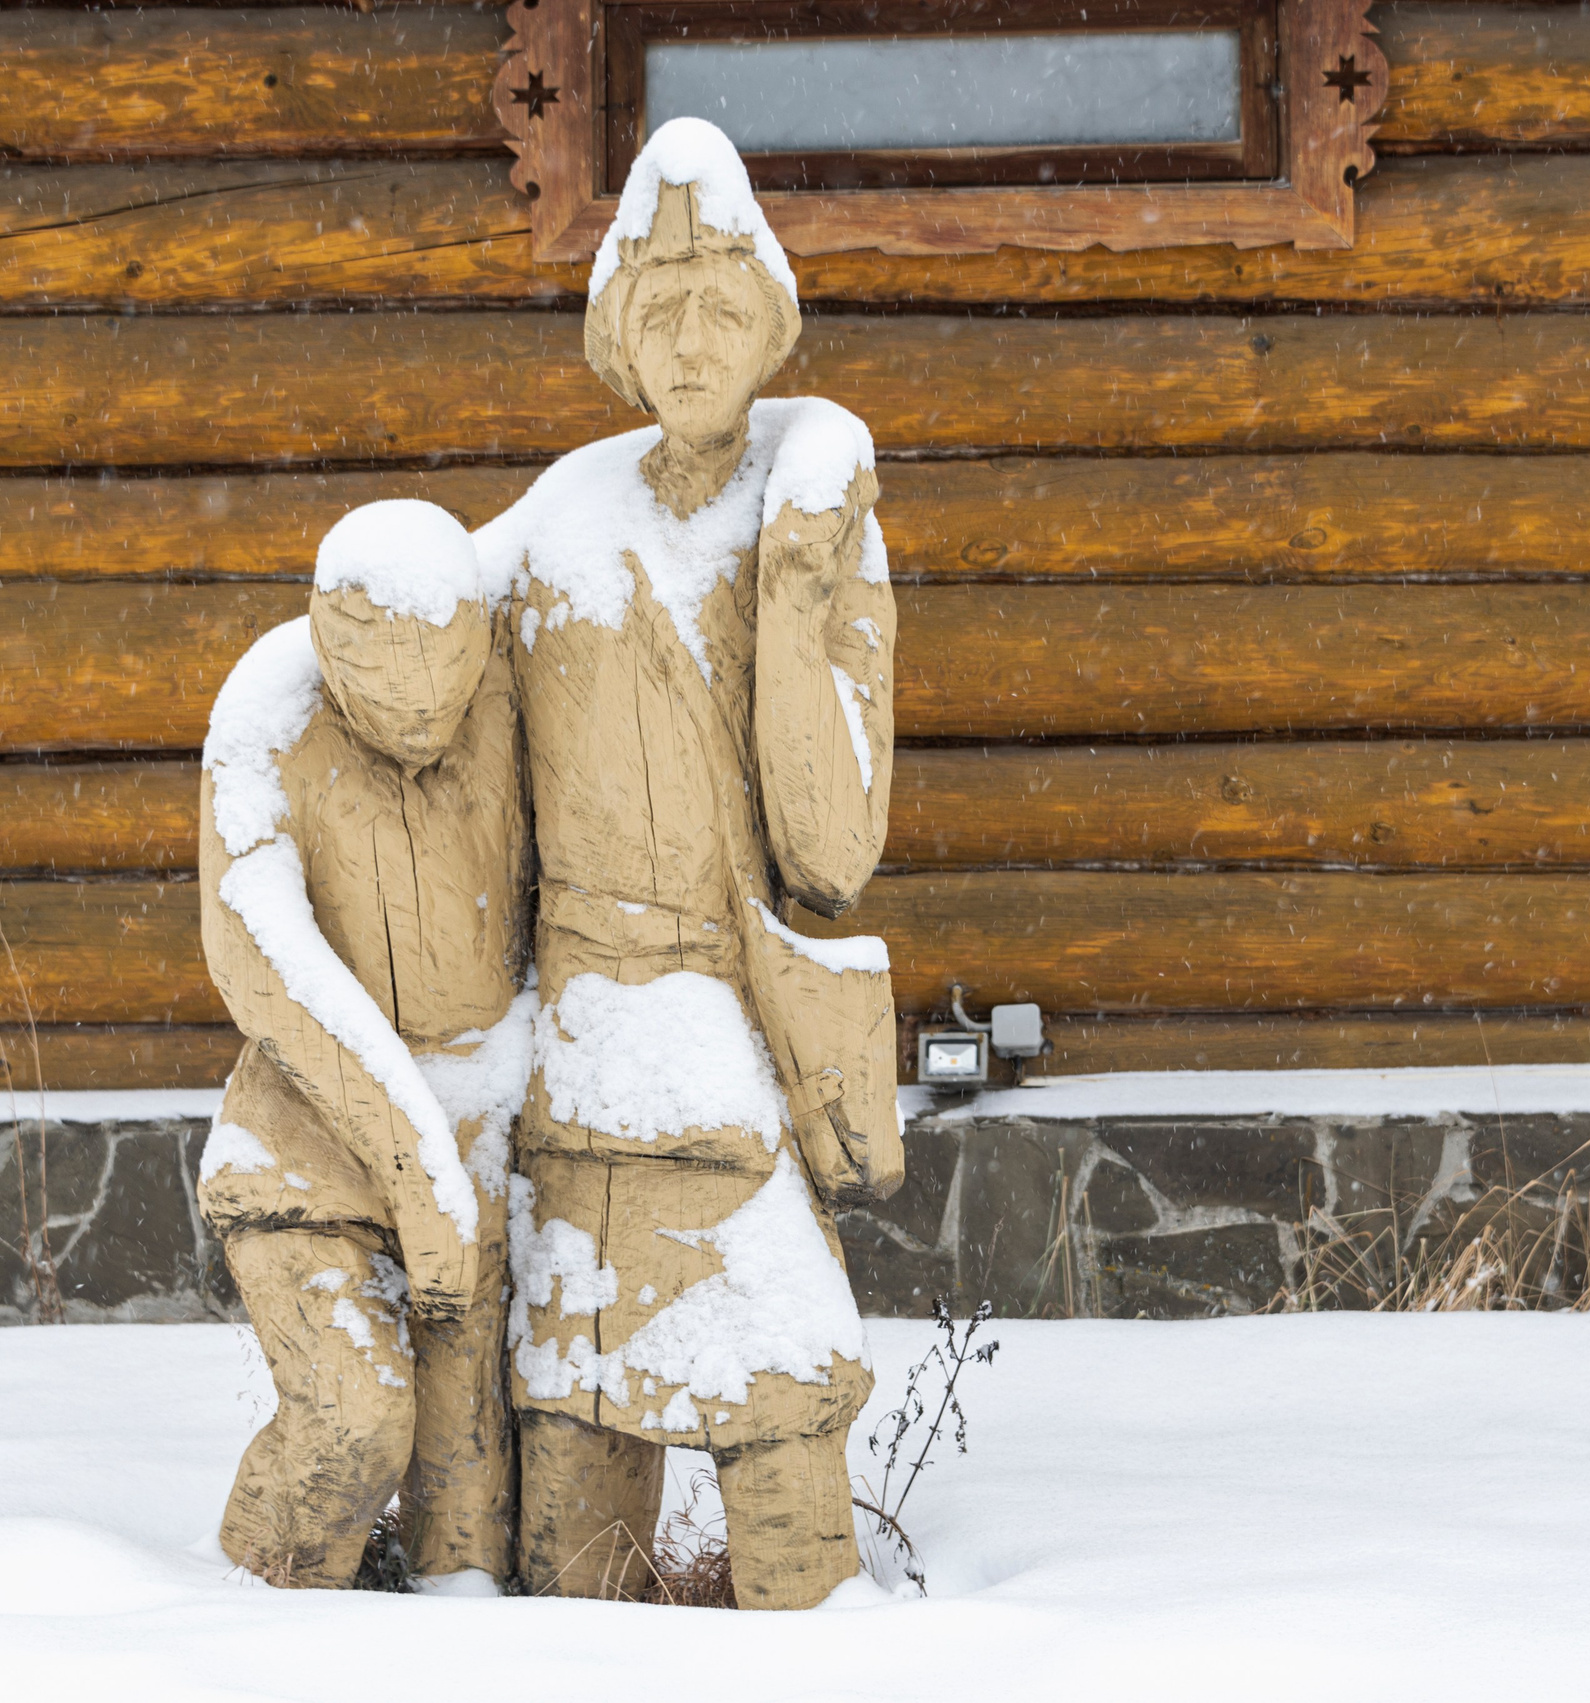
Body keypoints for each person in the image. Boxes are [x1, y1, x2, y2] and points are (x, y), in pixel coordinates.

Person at [475, 117, 905, 1612]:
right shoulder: (556, 520)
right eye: (661, 314)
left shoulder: (815, 507)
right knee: (574, 1411)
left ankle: (819, 1633)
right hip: (578, 1033)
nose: (693, 342)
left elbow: (833, 843)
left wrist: (799, 586)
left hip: (721, 1028)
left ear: (771, 325)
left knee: (777, 1391)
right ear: (616, 334)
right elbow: (421, 661)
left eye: (724, 309)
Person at [196, 498, 533, 1591]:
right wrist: (412, 1164)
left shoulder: (511, 696)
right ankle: (244, 1622)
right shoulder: (269, 712)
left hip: (482, 1134)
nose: (426, 711)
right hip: (310, 1148)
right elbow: (261, 957)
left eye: (449, 674)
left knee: (466, 1502)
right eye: (389, 685)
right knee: (355, 1415)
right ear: (332, 647)